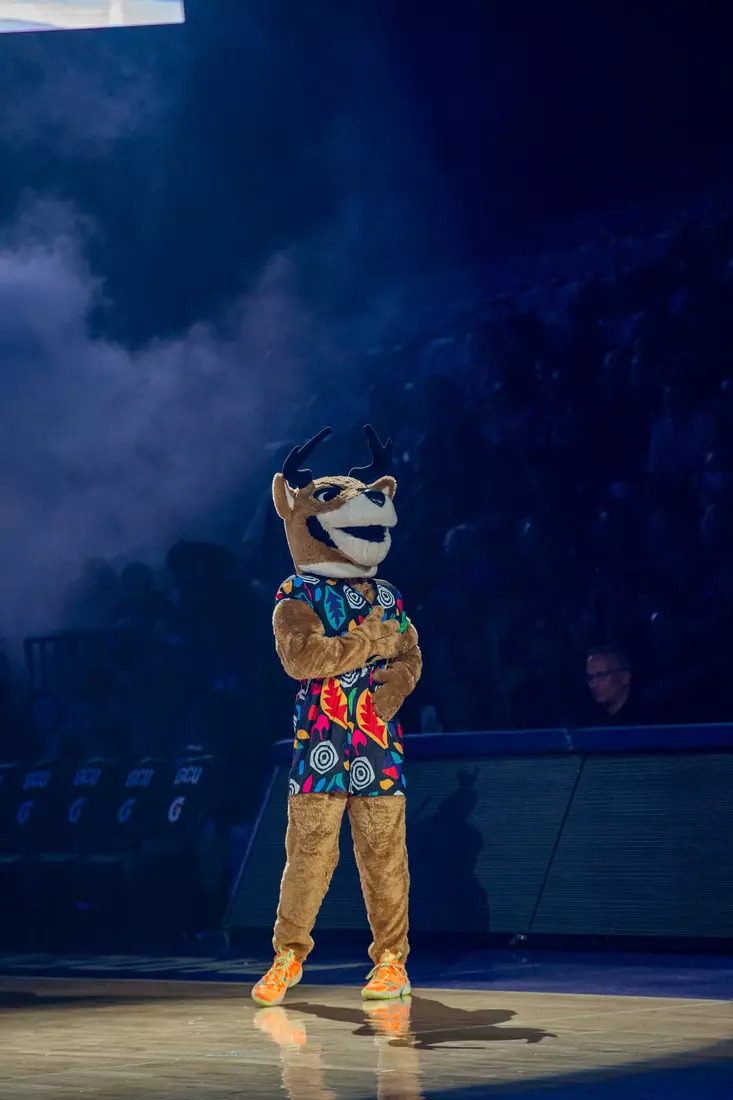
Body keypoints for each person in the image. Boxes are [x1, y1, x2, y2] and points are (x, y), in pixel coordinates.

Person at [251, 426, 422, 1008]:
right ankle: (288, 955)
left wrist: (394, 687)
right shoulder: (295, 592)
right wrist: (370, 645)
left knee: (383, 856)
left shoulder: (388, 595)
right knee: (309, 854)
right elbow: (303, 659)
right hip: (319, 741)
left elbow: (411, 653)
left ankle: (392, 962)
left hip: (378, 743)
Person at [584, 646, 652, 725]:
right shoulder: (589, 721)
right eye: (590, 677)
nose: (594, 684)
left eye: (601, 675)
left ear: (625, 677)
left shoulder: (648, 719)